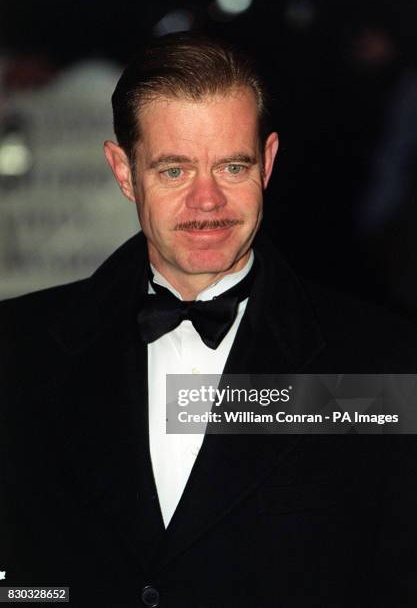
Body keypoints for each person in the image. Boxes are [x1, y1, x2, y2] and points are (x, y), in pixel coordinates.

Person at [1, 32, 417, 607]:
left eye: (231, 166)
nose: (207, 202)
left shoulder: (383, 362)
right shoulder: (16, 350)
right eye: (174, 171)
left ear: (267, 163)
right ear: (124, 171)